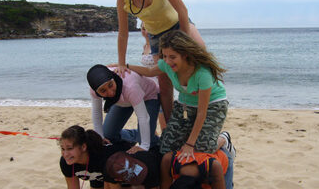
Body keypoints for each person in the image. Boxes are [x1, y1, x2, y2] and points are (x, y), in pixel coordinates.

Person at [112, 0, 205, 122]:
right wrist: (121, 63)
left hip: (178, 23)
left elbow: (182, 9)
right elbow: (123, 33)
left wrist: (184, 43)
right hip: (156, 35)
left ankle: (205, 110)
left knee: (200, 57)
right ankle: (170, 125)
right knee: (164, 78)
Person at [124, 30, 229, 158]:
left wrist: (190, 144)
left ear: (185, 54)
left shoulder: (202, 73)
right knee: (165, 148)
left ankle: (224, 139)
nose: (167, 61)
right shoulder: (166, 64)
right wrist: (125, 66)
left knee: (201, 150)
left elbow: (202, 112)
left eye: (172, 57)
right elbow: (149, 71)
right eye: (165, 56)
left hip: (213, 105)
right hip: (185, 105)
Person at [59, 125, 132, 189]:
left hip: (122, 168)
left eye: (70, 148)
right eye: (62, 149)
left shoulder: (103, 158)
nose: (65, 154)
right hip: (96, 175)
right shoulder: (66, 162)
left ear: (83, 147)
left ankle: (132, 134)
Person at [158, 132, 236, 189]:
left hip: (221, 160)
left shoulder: (214, 167)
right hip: (201, 171)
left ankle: (224, 141)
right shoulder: (168, 160)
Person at [87, 64, 160, 154]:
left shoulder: (130, 87)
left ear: (113, 78)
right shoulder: (94, 89)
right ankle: (136, 135)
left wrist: (144, 146)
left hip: (148, 96)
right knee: (107, 136)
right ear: (96, 91)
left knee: (145, 143)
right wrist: (100, 138)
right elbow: (97, 113)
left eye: (110, 85)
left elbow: (143, 117)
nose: (110, 93)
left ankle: (152, 137)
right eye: (103, 91)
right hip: (124, 100)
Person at [140, 22, 167, 132]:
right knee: (149, 117)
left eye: (147, 28)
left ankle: (165, 140)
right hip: (148, 86)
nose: (145, 32)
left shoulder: (157, 45)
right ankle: (154, 139)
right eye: (142, 28)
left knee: (162, 114)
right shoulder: (145, 46)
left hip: (160, 84)